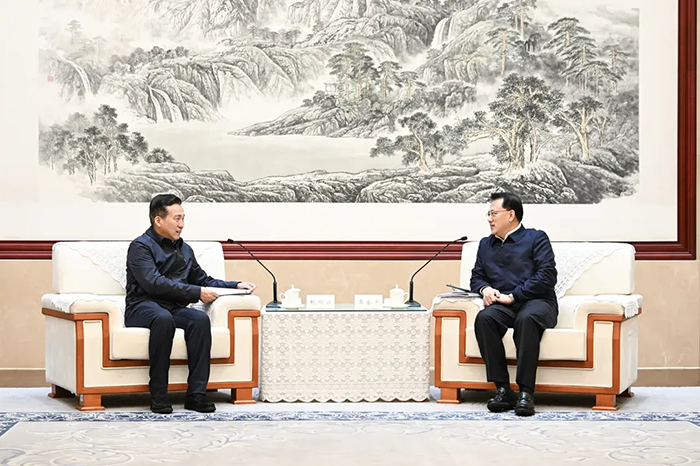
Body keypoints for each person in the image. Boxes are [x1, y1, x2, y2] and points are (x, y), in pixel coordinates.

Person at [125, 194, 257, 414]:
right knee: (163, 319)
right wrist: (196, 293)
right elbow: (153, 283)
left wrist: (235, 285)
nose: (182, 224)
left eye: (183, 218)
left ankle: (196, 394)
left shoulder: (184, 249)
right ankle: (159, 394)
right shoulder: (140, 247)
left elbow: (202, 279)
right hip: (142, 305)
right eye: (177, 218)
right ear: (158, 220)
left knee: (199, 319)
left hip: (173, 307)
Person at [470, 192, 557, 416]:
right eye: (488, 214)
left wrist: (515, 296)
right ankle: (503, 389)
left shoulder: (536, 238)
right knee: (485, 318)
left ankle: (526, 392)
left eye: (493, 213)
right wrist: (485, 289)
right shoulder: (486, 244)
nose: (489, 219)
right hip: (504, 306)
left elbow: (547, 277)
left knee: (526, 319)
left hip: (538, 302)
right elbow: (477, 277)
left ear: (510, 215)